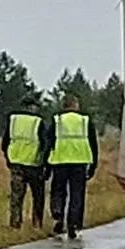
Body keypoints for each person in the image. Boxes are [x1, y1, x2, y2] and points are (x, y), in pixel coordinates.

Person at [46, 94, 99, 239]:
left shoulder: (57, 120)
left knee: (58, 190)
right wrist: (94, 165)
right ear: (75, 105)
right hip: (80, 162)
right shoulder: (85, 120)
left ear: (63, 105)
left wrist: (46, 164)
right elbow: (94, 144)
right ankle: (73, 224)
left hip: (60, 161)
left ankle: (58, 214)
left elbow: (49, 142)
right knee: (77, 195)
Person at [1, 96, 48, 228]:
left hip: (16, 163)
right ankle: (37, 223)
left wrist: (8, 158)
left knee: (16, 196)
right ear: (32, 107)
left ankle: (15, 223)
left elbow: (5, 142)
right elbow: (45, 143)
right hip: (34, 164)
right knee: (38, 195)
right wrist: (44, 162)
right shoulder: (38, 121)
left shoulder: (13, 120)